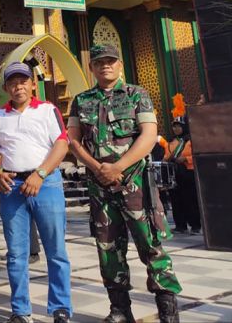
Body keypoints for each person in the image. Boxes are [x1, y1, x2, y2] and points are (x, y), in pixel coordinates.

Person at [67, 44, 181, 323]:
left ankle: (167, 307)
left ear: (120, 65)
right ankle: (120, 308)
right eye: (99, 62)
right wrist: (97, 168)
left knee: (151, 244)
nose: (105, 65)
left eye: (110, 61)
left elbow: (149, 135)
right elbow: (73, 139)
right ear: (91, 67)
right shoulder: (82, 100)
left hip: (136, 184)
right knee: (108, 249)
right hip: (100, 188)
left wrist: (118, 166)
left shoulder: (137, 94)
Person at [0, 62, 72, 323]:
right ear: (5, 88)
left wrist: (41, 174)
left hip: (46, 184)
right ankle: (21, 310)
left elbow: (62, 144)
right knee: (16, 253)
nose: (18, 86)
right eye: (13, 82)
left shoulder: (48, 110)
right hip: (12, 187)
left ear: (33, 84)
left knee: (55, 249)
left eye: (23, 81)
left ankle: (60, 307)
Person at [164, 117, 201, 234]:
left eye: (179, 126)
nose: (176, 128)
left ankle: (195, 225)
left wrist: (185, 158)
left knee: (190, 200)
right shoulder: (171, 141)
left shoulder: (191, 140)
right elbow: (167, 156)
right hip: (174, 174)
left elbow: (197, 155)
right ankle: (180, 225)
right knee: (176, 200)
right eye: (174, 126)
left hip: (188, 173)